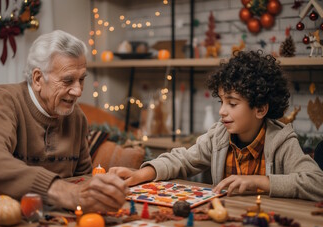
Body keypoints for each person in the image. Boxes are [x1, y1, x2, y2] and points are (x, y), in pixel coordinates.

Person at [109, 50, 323, 201]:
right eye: (221, 101)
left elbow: (316, 183)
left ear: (260, 109)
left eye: (232, 103)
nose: (222, 111)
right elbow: (182, 160)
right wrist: (140, 174)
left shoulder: (282, 140)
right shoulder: (219, 135)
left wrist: (261, 182)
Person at [0, 30, 128, 212]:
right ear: (38, 79)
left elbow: (82, 177)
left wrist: (98, 192)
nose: (78, 91)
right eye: (68, 80)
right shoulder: (2, 100)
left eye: (81, 79)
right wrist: (63, 191)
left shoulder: (76, 117)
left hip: (49, 217)